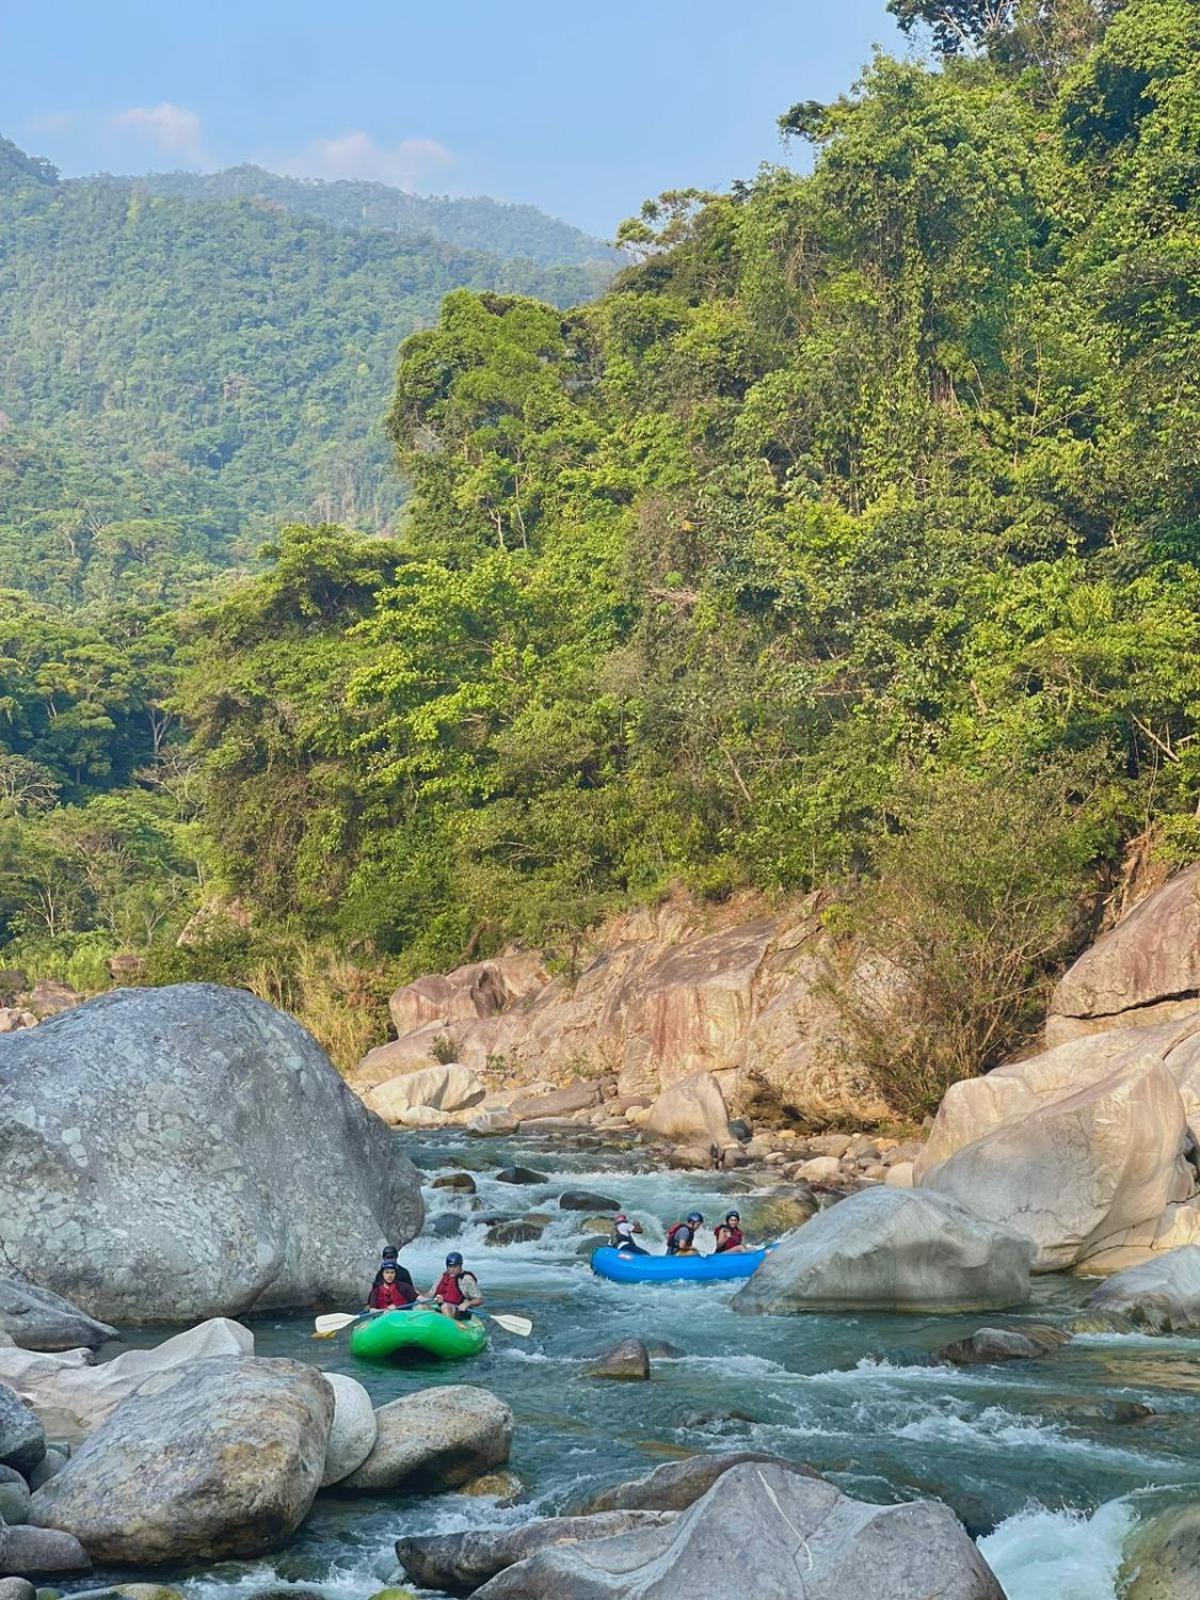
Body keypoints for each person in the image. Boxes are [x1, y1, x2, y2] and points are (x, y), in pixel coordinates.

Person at [428, 1251, 483, 1320]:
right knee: (421, 1306)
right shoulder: (442, 1277)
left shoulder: (466, 1278)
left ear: (460, 1265)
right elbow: (430, 1295)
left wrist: (468, 1304)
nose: (452, 1269)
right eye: (450, 1266)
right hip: (441, 1308)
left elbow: (479, 1300)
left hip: (460, 1311)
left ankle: (452, 1327)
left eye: (455, 1266)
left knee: (445, 1307)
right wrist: (418, 1295)